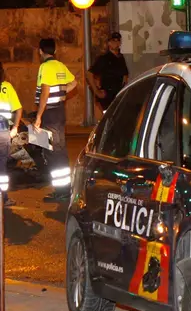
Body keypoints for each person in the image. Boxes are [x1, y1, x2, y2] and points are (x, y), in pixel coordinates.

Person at [34, 38, 77, 202]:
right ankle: (65, 188)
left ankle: (61, 191)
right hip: (59, 112)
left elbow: (45, 91)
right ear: (55, 51)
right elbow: (74, 83)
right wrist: (62, 90)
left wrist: (38, 116)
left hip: (50, 114)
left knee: (52, 152)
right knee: (60, 150)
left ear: (40, 51)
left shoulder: (45, 67)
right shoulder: (60, 65)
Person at [87, 32, 128, 116]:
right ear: (109, 43)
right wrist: (96, 91)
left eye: (118, 41)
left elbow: (125, 74)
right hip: (107, 96)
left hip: (118, 95)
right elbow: (89, 74)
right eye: (113, 41)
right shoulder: (104, 59)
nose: (116, 43)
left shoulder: (121, 58)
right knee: (108, 119)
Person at [0, 62, 21, 207]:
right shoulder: (6, 87)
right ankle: (3, 198)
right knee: (2, 166)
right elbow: (18, 109)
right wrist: (15, 127)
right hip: (3, 131)